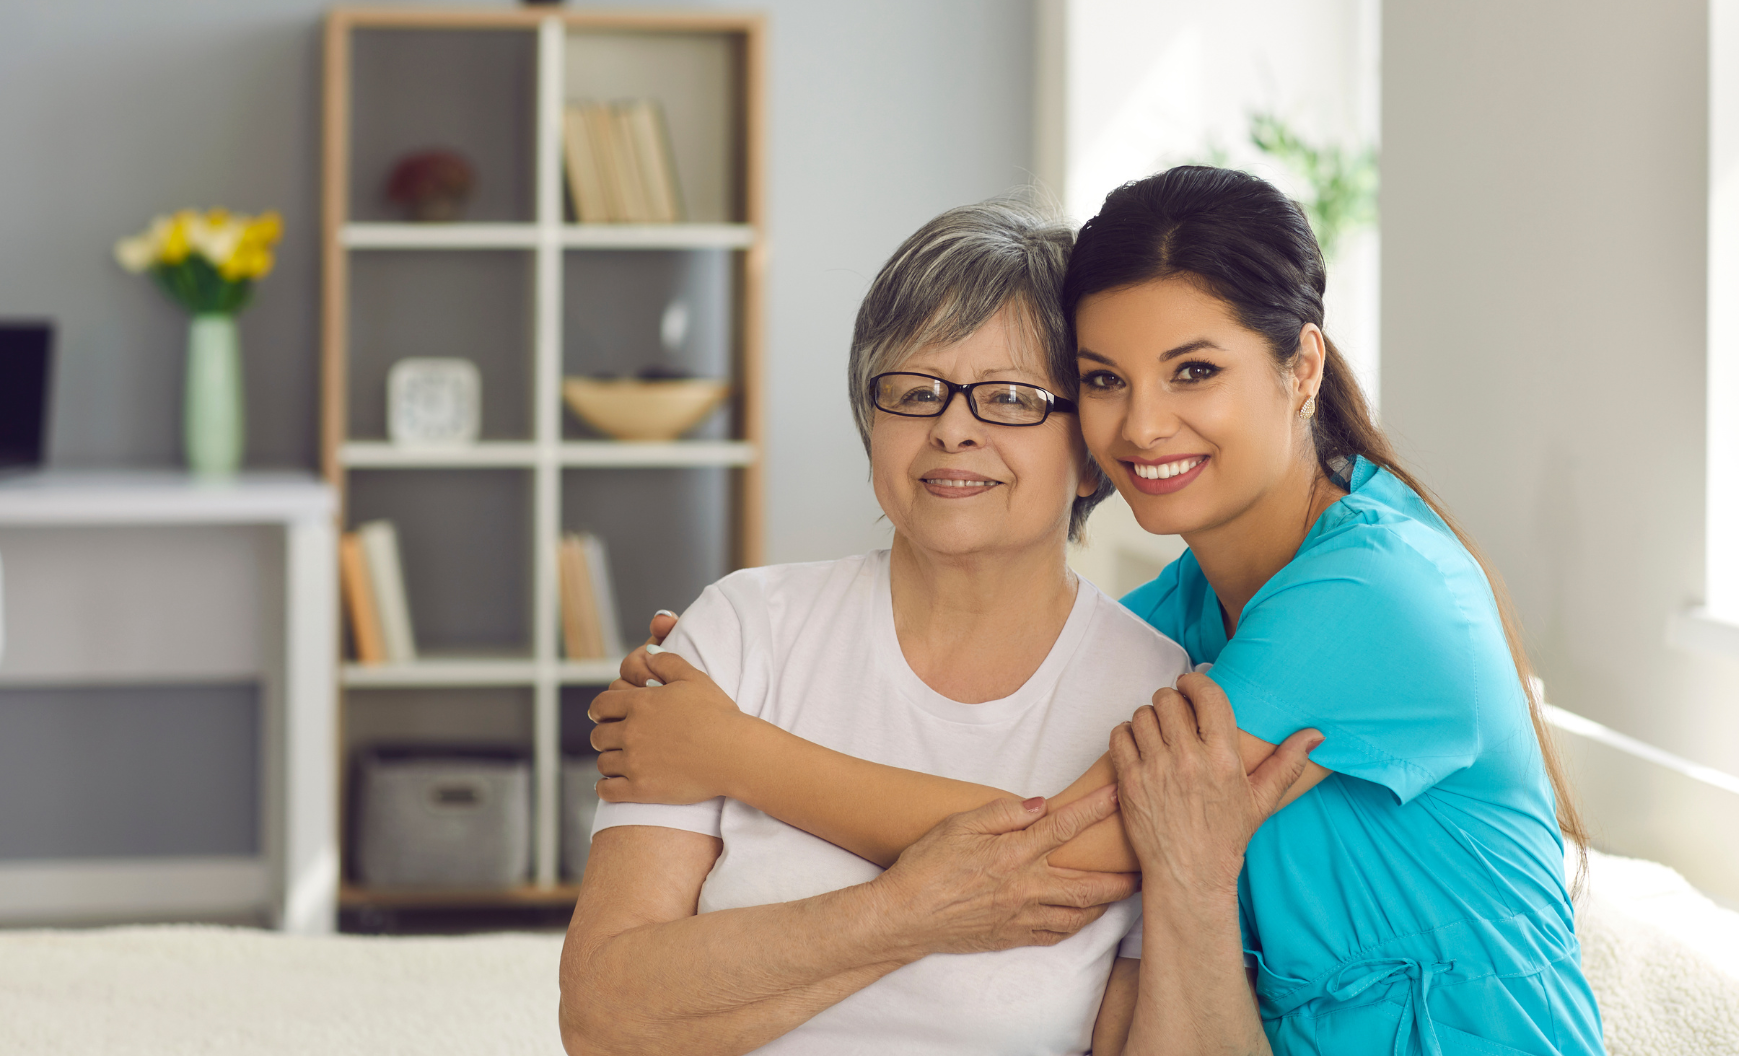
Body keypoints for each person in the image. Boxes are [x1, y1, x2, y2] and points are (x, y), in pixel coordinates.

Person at [597, 166, 1606, 1055]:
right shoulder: (1173, 623)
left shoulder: (1375, 595)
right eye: (1104, 381)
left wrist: (728, 749)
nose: (1144, 422)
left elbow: (1055, 854)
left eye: (1194, 372)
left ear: (1301, 368)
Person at [556, 195, 1324, 1056]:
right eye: (915, 392)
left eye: (1009, 397)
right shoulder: (736, 635)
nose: (953, 428)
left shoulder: (1152, 700)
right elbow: (602, 1016)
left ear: (1090, 456)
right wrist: (907, 913)